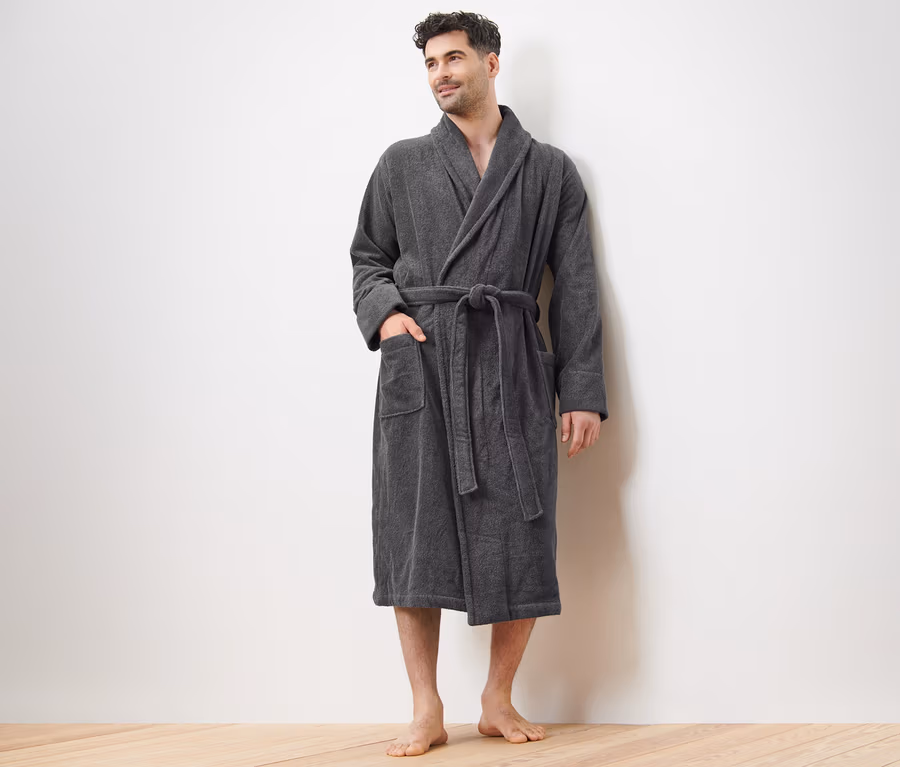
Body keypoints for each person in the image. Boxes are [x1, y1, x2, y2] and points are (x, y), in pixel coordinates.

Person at [349, 11, 609, 758]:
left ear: (491, 63)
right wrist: (387, 317)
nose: (441, 74)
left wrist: (581, 388)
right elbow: (367, 257)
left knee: (523, 528)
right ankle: (426, 706)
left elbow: (577, 285)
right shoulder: (401, 163)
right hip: (423, 363)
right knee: (414, 530)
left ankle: (496, 696)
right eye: (431, 63)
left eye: (454, 58)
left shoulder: (549, 171)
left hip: (510, 364)